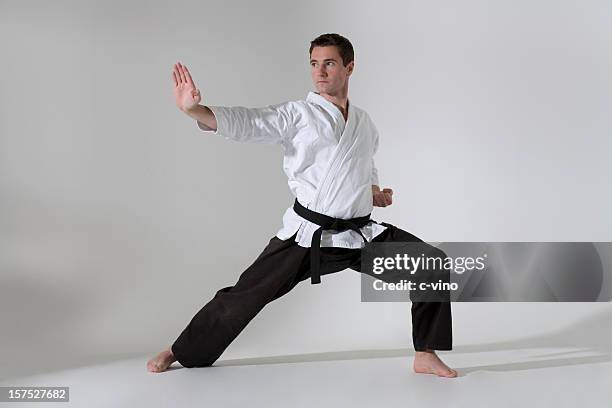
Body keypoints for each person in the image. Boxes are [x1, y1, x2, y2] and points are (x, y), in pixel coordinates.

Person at [147, 33, 457, 378]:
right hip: (307, 236)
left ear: (349, 67)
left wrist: (373, 191)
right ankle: (180, 350)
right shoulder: (298, 114)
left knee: (430, 263)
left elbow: (364, 163)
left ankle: (425, 354)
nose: (319, 72)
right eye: (314, 64)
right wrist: (196, 110)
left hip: (358, 234)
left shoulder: (364, 123)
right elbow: (250, 122)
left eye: (329, 63)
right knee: (243, 297)